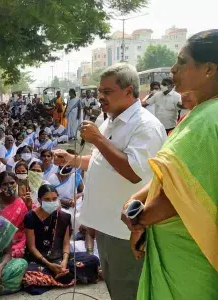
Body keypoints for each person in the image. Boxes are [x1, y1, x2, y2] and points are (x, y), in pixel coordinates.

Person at [54, 63, 166, 300]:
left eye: (107, 92)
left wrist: (97, 139)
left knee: (128, 289)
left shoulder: (145, 126)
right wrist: (74, 160)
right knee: (115, 286)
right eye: (99, 91)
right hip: (105, 225)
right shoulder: (110, 121)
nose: (100, 97)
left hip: (125, 230)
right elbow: (100, 161)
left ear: (128, 91)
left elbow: (134, 172)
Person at [122, 30, 218, 300]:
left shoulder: (206, 121)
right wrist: (137, 197)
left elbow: (183, 191)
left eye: (182, 61)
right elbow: (176, 175)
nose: (174, 69)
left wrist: (139, 220)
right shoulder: (201, 115)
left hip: (189, 250)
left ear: (209, 69)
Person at [22, 184, 100, 295]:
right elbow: (31, 247)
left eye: (54, 199)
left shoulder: (64, 217)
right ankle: (65, 275)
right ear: (39, 200)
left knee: (92, 260)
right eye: (47, 199)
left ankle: (59, 273)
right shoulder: (30, 217)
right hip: (39, 259)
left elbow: (66, 244)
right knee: (30, 276)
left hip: (59, 257)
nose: (51, 202)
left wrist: (64, 261)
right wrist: (49, 264)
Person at [0, 172, 30, 258]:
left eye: (12, 183)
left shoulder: (23, 200)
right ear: (0, 186)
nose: (9, 186)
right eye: (5, 184)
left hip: (19, 239)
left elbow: (30, 221)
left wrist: (29, 206)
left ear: (17, 183)